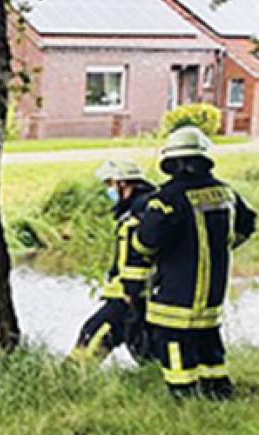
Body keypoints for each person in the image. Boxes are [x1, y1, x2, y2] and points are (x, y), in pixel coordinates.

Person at [134, 126, 256, 400]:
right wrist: (223, 245)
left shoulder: (166, 199)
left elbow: (146, 242)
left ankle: (183, 395)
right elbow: (247, 225)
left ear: (172, 162)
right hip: (212, 293)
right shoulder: (227, 194)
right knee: (208, 342)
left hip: (176, 293)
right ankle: (217, 392)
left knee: (173, 342)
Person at [70, 160, 156, 362]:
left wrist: (131, 290)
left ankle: (71, 378)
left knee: (94, 333)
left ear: (123, 184)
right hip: (142, 294)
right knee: (143, 346)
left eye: (110, 184)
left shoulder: (139, 213)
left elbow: (137, 257)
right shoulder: (144, 207)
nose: (109, 190)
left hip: (130, 295)